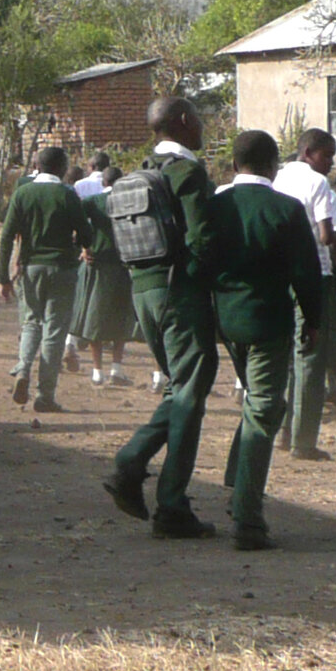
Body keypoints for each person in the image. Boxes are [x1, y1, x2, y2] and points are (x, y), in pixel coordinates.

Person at [104, 97, 222, 538]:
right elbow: (202, 241)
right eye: (201, 120)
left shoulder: (139, 171)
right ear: (187, 122)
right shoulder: (188, 172)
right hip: (181, 293)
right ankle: (169, 502)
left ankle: (133, 466)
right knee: (190, 396)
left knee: (178, 388)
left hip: (144, 292)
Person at [211, 131, 325, 552]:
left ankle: (236, 481)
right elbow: (306, 272)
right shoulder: (286, 209)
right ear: (274, 164)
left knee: (258, 404)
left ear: (234, 163)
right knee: (264, 408)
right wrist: (313, 320)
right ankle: (247, 517)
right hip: (269, 323)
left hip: (224, 320)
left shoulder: (215, 206)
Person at [272, 129, 336, 460]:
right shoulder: (317, 184)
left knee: (292, 357)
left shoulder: (277, 179)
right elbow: (329, 238)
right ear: (308, 152)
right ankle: (303, 442)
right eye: (327, 156)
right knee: (311, 359)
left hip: (282, 278)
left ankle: (284, 432)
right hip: (315, 277)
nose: (331, 163)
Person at [0, 146, 90, 413]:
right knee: (55, 331)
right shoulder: (67, 195)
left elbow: (6, 236)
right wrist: (79, 244)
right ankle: (45, 394)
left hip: (30, 268)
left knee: (31, 323)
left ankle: (23, 368)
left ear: (36, 165)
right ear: (62, 168)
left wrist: (3, 277)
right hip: (62, 268)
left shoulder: (23, 193)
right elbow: (85, 233)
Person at [70, 155, 135, 385]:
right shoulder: (131, 202)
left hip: (96, 264)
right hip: (123, 264)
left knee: (94, 316)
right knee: (122, 315)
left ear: (103, 183)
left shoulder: (92, 202)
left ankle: (97, 371)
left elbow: (77, 224)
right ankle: (116, 368)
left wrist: (84, 247)